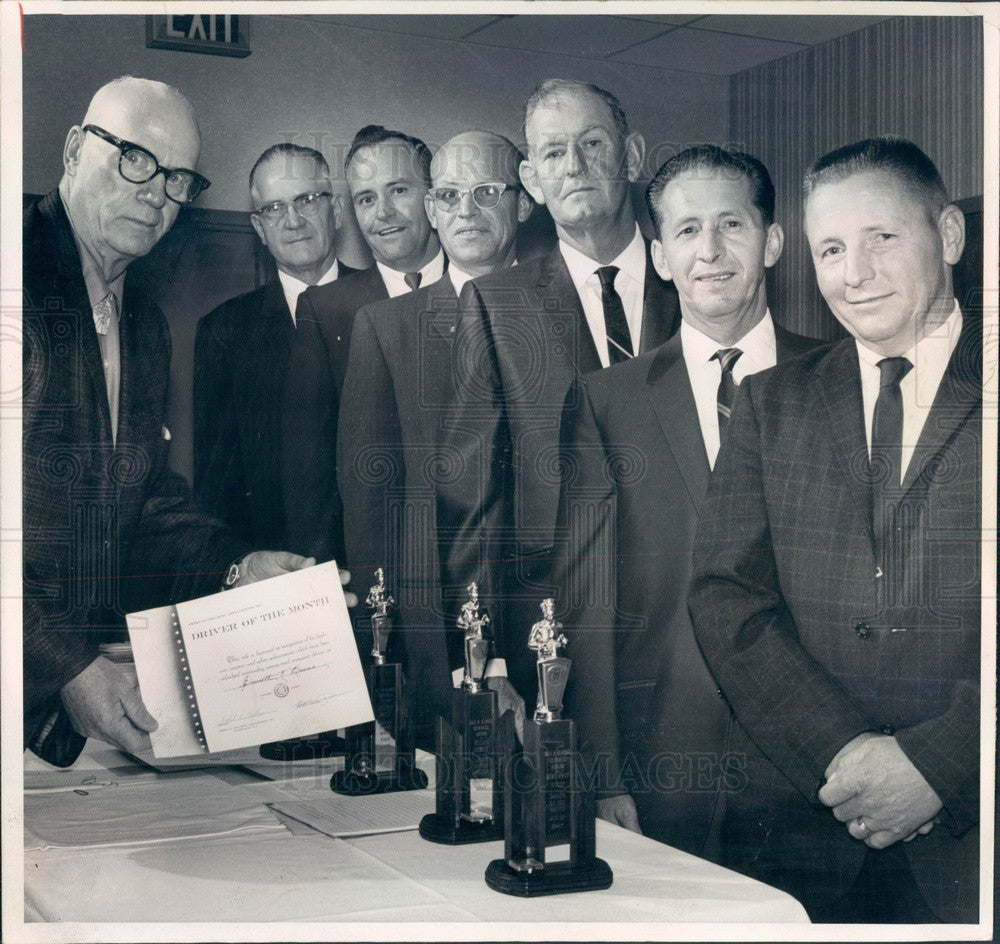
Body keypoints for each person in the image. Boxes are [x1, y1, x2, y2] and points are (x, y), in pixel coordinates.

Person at [688, 137, 980, 923]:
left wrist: (943, 764)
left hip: (974, 844)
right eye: (831, 248)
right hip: (801, 837)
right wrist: (845, 755)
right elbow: (725, 598)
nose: (855, 273)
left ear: (948, 236)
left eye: (882, 238)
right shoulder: (768, 403)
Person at [22, 77, 329, 767]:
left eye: (178, 178)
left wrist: (235, 568)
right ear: (74, 150)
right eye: (134, 157)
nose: (156, 191)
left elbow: (142, 503)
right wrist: (68, 665)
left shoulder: (143, 323)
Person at [553, 146, 821, 859]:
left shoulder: (839, 381)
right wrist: (601, 773)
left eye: (732, 225)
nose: (711, 251)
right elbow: (588, 596)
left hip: (819, 767)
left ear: (772, 242)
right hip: (662, 764)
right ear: (661, 256)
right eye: (686, 231)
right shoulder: (605, 402)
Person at [437, 80, 680, 705]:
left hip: (686, 622)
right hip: (556, 635)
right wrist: (483, 661)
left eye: (591, 143)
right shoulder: (494, 305)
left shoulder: (696, 281)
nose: (573, 165)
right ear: (532, 179)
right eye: (552, 153)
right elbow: (473, 504)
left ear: (630, 156)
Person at [338, 131, 533, 744]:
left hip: (562, 641)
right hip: (435, 653)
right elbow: (371, 516)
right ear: (431, 209)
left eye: (485, 192)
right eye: (447, 195)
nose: (464, 211)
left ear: (524, 202)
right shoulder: (386, 329)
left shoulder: (569, 315)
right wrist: (394, 664)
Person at [283, 125, 443, 565]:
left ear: (433, 195)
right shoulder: (324, 310)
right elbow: (310, 475)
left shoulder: (480, 289)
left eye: (398, 190)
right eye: (366, 198)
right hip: (378, 566)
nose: (383, 213)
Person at [193, 144, 359, 557]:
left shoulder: (384, 306)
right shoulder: (223, 331)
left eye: (306, 200)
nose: (292, 220)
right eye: (274, 208)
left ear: (336, 211)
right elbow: (218, 481)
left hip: (381, 565)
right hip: (276, 576)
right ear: (259, 228)